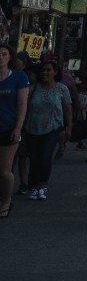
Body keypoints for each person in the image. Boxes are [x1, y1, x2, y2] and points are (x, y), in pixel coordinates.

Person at [21, 59, 72, 199]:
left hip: (52, 127)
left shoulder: (61, 88)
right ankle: (33, 186)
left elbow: (67, 108)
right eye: (43, 70)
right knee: (34, 157)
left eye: (49, 70)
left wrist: (69, 127)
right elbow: (24, 107)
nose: (45, 73)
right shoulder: (33, 88)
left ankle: (42, 185)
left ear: (55, 72)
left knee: (45, 156)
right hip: (32, 127)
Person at [0, 44, 27, 218]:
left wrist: (18, 128)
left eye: (4, 54)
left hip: (8, 128)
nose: (0, 57)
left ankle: (6, 201)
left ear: (10, 57)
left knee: (4, 169)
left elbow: (22, 104)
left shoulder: (18, 77)